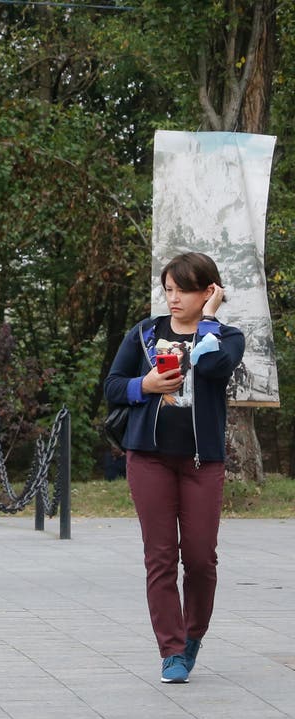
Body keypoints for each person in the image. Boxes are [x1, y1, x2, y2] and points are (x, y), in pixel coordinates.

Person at [103, 252, 244, 684]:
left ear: (209, 292)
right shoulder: (145, 334)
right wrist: (143, 385)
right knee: (160, 558)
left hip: (203, 463)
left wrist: (209, 323)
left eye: (183, 289)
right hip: (148, 459)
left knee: (200, 559)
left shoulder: (227, 336)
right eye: (168, 289)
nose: (173, 298)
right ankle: (172, 650)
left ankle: (193, 634)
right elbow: (111, 386)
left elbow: (213, 366)